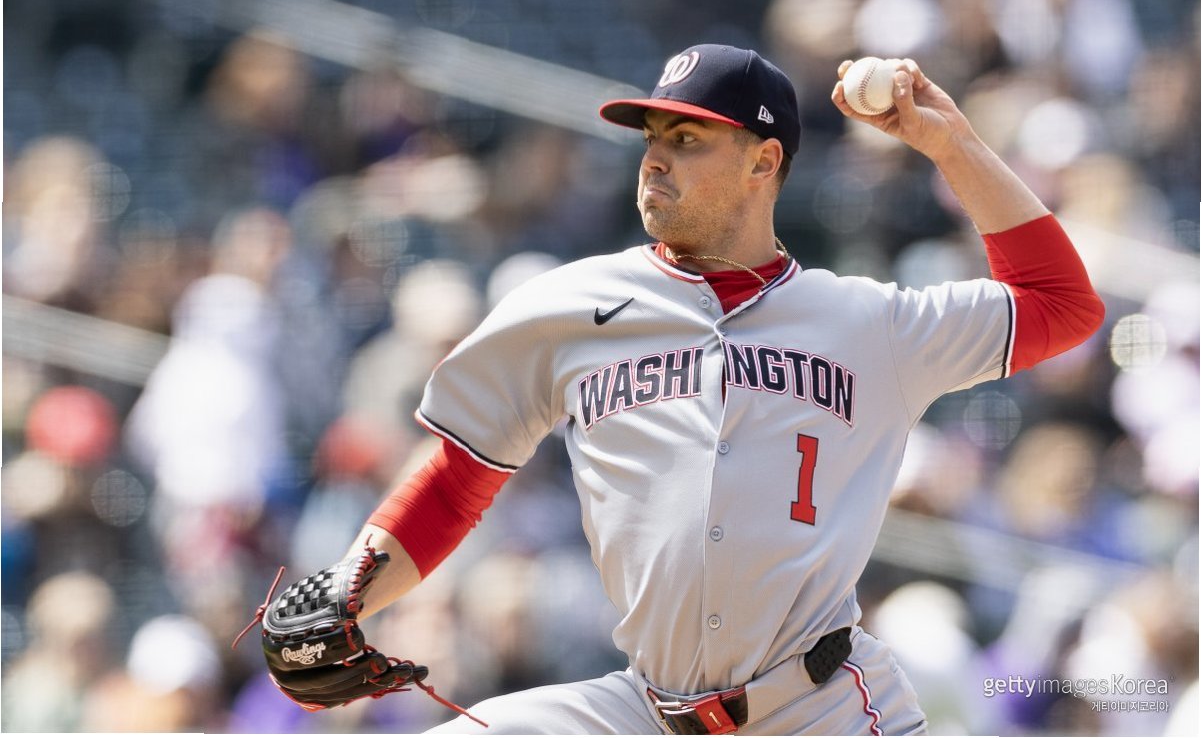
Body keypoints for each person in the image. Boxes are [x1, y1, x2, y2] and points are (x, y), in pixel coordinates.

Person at [260, 44, 1104, 735]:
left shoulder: (868, 322)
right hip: (643, 711)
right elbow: (456, 478)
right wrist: (349, 590)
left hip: (819, 711)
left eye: (689, 137)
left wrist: (949, 144)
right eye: (653, 134)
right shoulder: (568, 306)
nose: (656, 155)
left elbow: (1062, 305)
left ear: (764, 162)